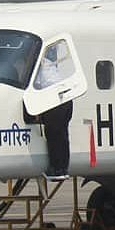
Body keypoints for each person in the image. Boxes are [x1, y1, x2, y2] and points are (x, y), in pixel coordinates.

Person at [35, 41, 73, 181]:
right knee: (62, 134)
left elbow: (37, 85)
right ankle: (63, 167)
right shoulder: (48, 63)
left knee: (53, 134)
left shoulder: (37, 65)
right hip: (67, 97)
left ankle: (56, 168)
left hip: (55, 100)